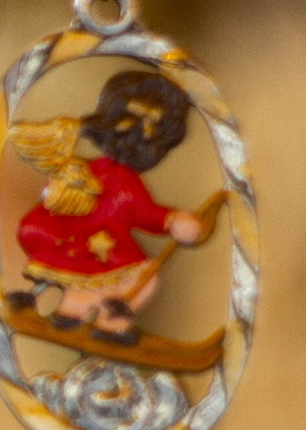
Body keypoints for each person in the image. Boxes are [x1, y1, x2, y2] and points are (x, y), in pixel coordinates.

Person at [10, 70, 207, 346]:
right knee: (143, 276)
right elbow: (146, 214)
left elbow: (142, 214)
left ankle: (75, 309)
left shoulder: (105, 174)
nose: (145, 130)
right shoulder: (117, 180)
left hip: (86, 247)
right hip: (99, 250)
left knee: (115, 279)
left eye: (153, 125)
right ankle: (106, 319)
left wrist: (177, 222)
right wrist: (175, 222)